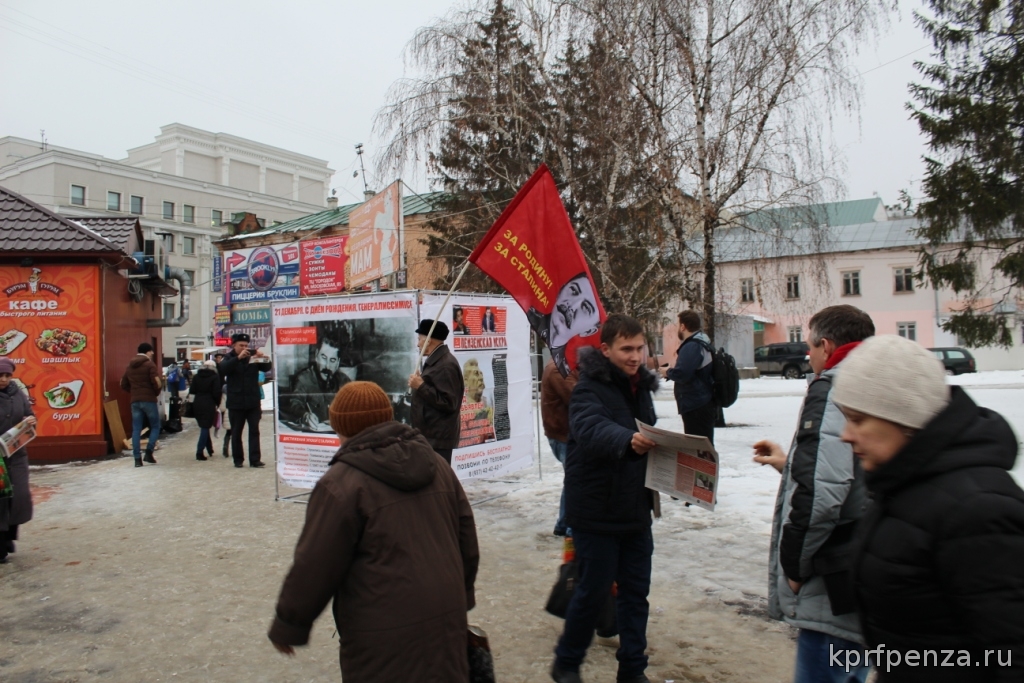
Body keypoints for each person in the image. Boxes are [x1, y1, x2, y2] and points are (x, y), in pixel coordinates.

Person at [832, 335, 1024, 682]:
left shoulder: (978, 509)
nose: (845, 435)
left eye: (858, 420)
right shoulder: (900, 485)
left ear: (905, 419)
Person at [268, 381, 480, 681]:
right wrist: (461, 595)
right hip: (445, 620)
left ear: (340, 426)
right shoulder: (436, 463)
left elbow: (314, 564)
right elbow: (466, 538)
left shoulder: (341, 484)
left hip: (381, 632)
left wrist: (289, 623)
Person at [751, 304, 875, 683]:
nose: (808, 355)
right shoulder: (879, 383)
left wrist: (795, 567)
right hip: (867, 565)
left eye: (810, 346)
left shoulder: (834, 388)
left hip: (831, 580)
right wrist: (790, 464)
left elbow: (823, 492)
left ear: (826, 344)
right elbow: (851, 471)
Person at [552, 314, 659, 683]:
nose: (634, 356)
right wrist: (626, 440)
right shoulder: (588, 387)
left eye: (639, 348)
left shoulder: (641, 388)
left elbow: (648, 432)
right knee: (593, 592)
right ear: (606, 350)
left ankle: (632, 670)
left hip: (634, 508)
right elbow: (590, 427)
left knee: (635, 595)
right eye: (626, 348)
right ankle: (566, 663)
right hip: (595, 510)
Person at [408, 320, 464, 464]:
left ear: (429, 340)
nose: (418, 344)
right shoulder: (437, 362)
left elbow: (449, 402)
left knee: (438, 481)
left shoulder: (445, 365)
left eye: (420, 339)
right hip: (430, 437)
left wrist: (421, 386)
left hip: (438, 440)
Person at [528, 273, 602, 377]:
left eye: (585, 307)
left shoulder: (567, 369)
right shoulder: (524, 319)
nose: (572, 305)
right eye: (574, 290)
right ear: (561, 290)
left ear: (588, 331)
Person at [0, 357, 37, 564]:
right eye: (0, 376)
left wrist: (30, 421)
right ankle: (1, 542)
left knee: (19, 497)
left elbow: (29, 415)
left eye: (7, 375)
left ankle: (9, 534)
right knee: (1, 500)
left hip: (17, 455)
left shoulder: (18, 393)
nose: (4, 380)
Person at [662, 310, 715, 443]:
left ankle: (706, 465)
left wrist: (667, 372)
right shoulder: (702, 342)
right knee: (703, 446)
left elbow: (683, 374)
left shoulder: (692, 345)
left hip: (696, 404)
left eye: (678, 324)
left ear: (683, 326)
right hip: (701, 402)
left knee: (699, 448)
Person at [219, 333, 271, 468]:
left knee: (254, 431)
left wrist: (264, 358)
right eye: (241, 345)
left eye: (246, 345)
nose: (244, 348)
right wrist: (238, 358)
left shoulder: (252, 357)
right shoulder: (229, 358)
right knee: (236, 432)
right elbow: (223, 370)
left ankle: (255, 460)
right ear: (234, 345)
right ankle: (238, 460)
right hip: (236, 403)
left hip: (252, 401)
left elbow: (266, 368)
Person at [282, 335, 350, 431]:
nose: (327, 365)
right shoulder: (304, 379)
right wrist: (305, 416)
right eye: (323, 358)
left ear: (338, 363)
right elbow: (294, 404)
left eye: (332, 360)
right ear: (317, 356)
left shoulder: (344, 381)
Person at [542, 357, 577, 537]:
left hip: (566, 433)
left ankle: (563, 524)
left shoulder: (567, 366)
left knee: (573, 479)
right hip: (563, 435)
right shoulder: (558, 369)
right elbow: (578, 397)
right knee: (576, 480)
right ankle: (570, 527)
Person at [120, 342, 163, 466]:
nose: (153, 353)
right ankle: (149, 452)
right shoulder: (150, 364)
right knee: (155, 426)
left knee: (136, 429)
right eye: (151, 351)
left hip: (135, 401)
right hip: (149, 400)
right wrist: (154, 393)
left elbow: (123, 383)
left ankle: (137, 459)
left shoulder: (130, 366)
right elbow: (157, 383)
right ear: (147, 352)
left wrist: (134, 392)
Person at [188, 360, 222, 461]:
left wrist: (191, 404)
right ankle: (199, 452)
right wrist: (217, 403)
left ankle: (209, 449)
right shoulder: (215, 377)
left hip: (197, 402)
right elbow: (217, 392)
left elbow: (192, 391)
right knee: (205, 427)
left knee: (204, 426)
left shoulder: (197, 376)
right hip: (209, 403)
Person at [458, 358, 494, 447]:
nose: (481, 378)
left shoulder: (488, 407)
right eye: (476, 374)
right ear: (465, 380)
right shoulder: (459, 408)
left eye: (481, 374)